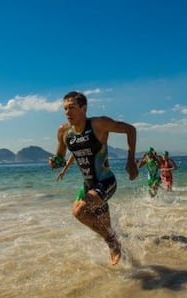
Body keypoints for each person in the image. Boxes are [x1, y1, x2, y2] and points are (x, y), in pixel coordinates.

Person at [48, 91, 138, 266]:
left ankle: (112, 241)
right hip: (88, 186)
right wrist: (55, 162)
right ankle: (129, 260)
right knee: (106, 226)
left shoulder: (99, 124)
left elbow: (130, 129)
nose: (67, 112)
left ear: (84, 108)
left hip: (106, 182)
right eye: (65, 108)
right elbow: (60, 156)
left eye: (72, 108)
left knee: (79, 211)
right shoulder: (64, 132)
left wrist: (131, 160)